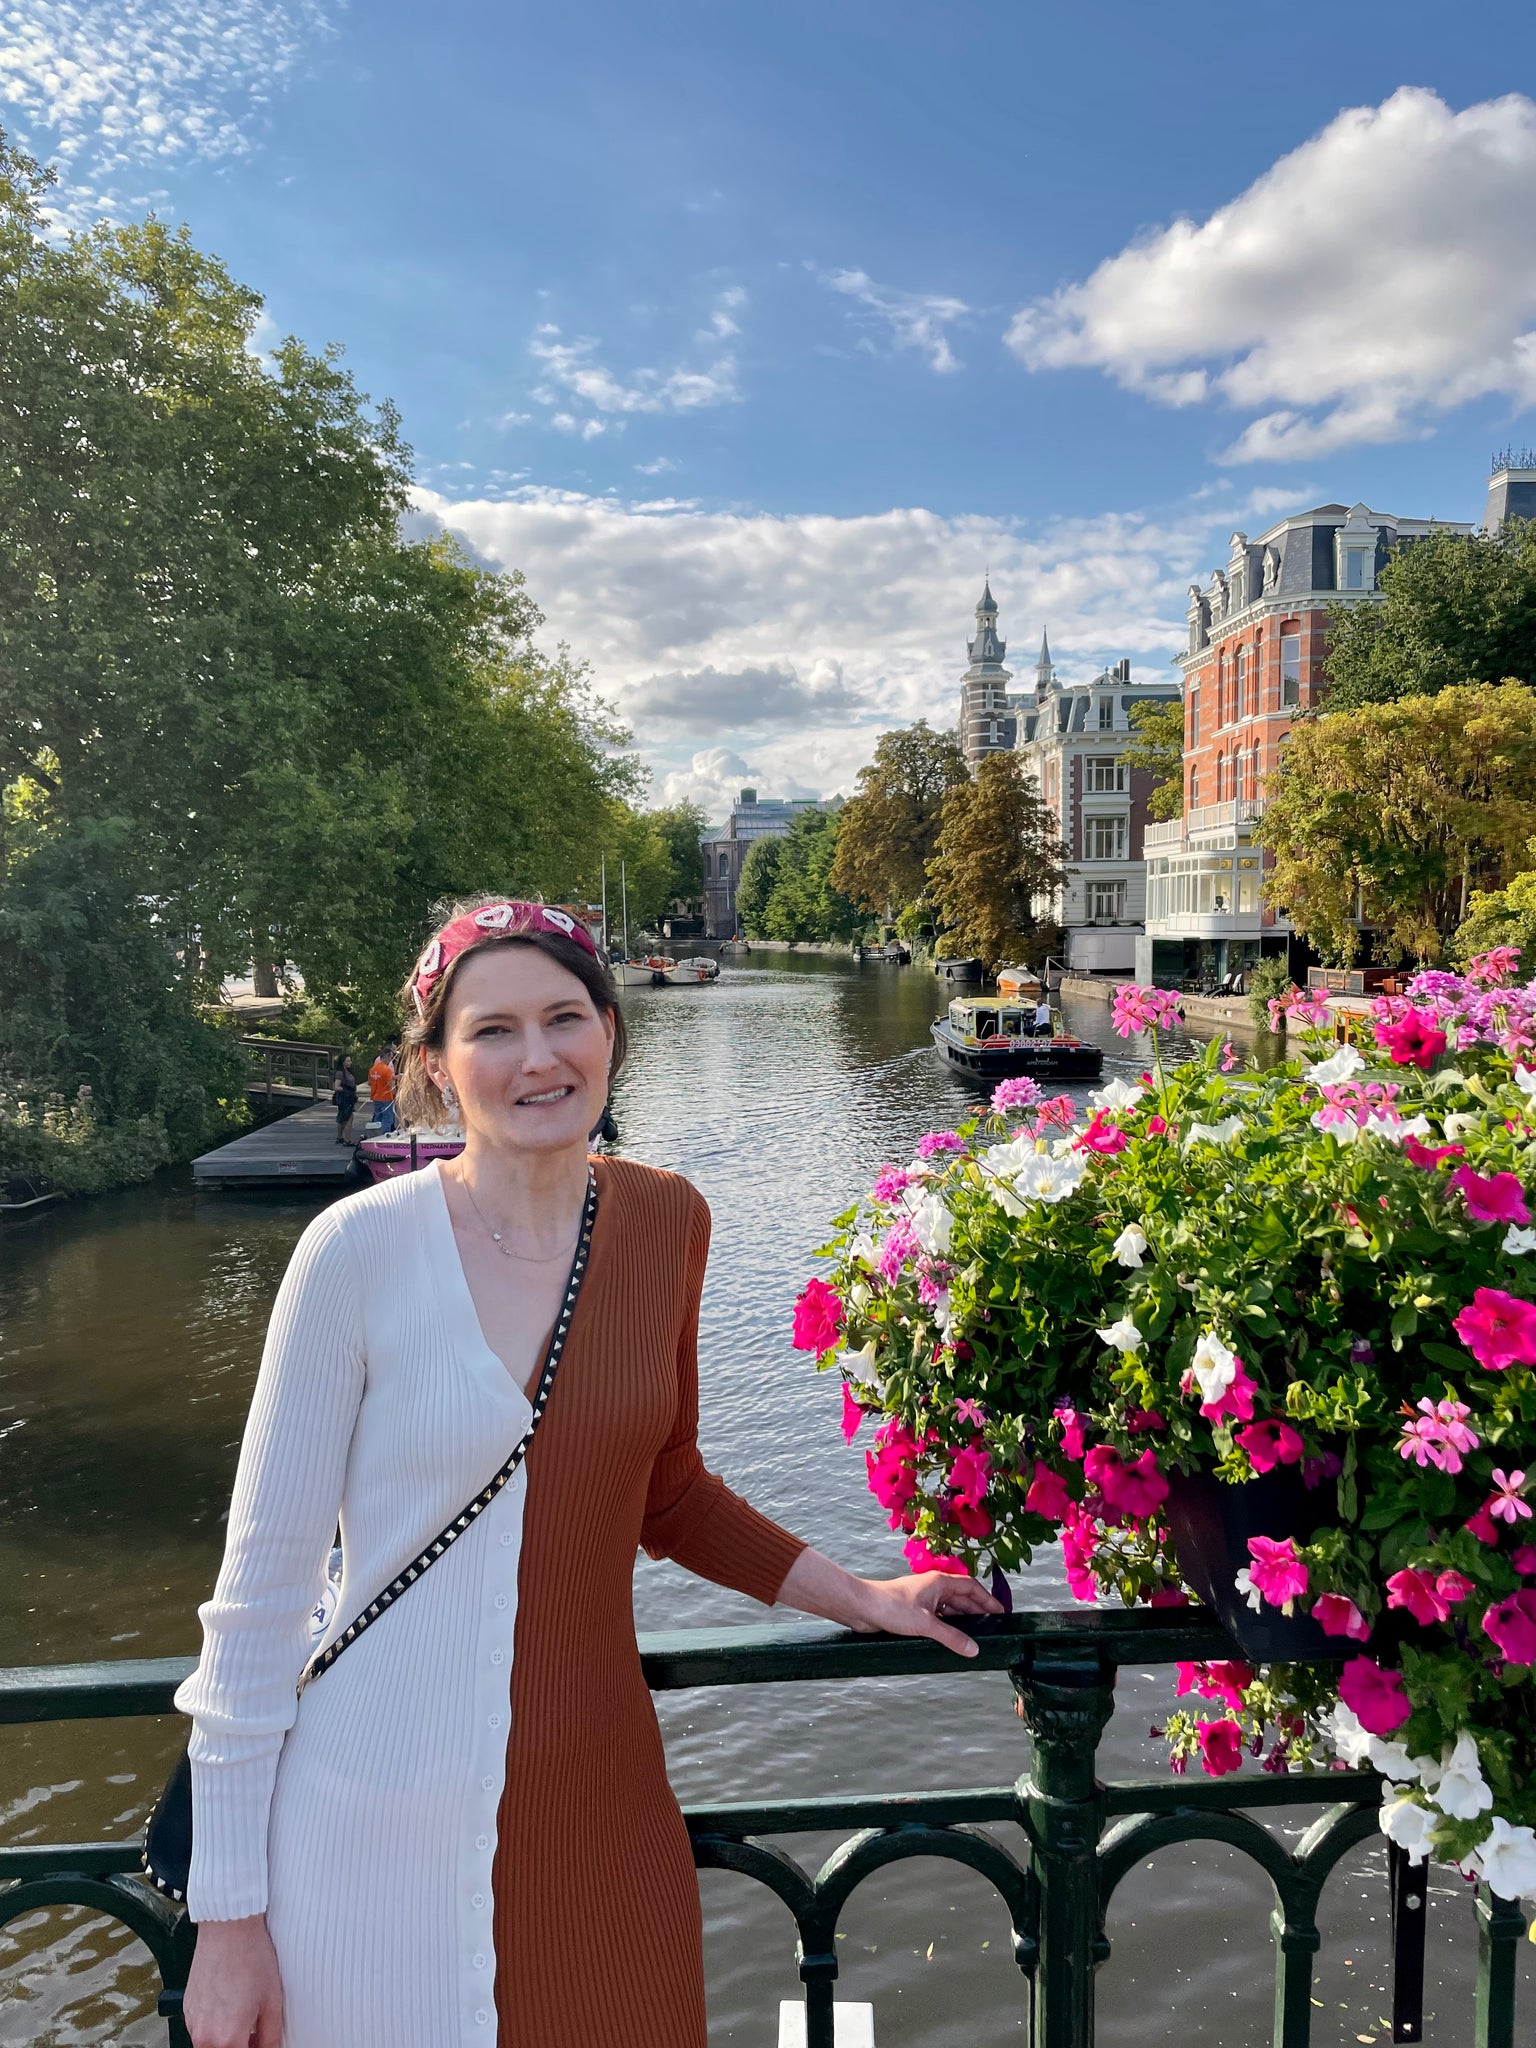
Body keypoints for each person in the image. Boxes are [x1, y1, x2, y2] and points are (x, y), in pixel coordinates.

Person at [177, 898, 1000, 2048]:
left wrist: (862, 1594)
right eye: (493, 1029)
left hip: (595, 1793)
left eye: (565, 1016)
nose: (538, 1056)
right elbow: (257, 1606)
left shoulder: (667, 1221)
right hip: (373, 1809)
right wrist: (228, 1917)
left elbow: (666, 1489)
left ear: (611, 1030)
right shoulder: (354, 1253)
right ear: (435, 1064)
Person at [367, 1044, 397, 1134]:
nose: (391, 1060)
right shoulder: (387, 1070)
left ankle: (375, 1134)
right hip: (386, 1097)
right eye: (391, 1058)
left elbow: (369, 1083)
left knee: (377, 1117)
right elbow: (390, 1086)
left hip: (376, 1097)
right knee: (387, 1119)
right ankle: (384, 1136)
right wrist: (396, 1095)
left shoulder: (372, 1069)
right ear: (387, 1057)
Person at [331, 1052, 358, 1145]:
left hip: (348, 1097)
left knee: (342, 1116)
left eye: (350, 1060)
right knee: (348, 1117)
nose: (350, 1062)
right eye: (348, 1061)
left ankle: (340, 1137)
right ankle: (347, 1139)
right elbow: (336, 1086)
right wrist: (346, 1090)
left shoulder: (348, 1072)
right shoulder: (340, 1073)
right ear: (343, 1062)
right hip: (344, 1097)